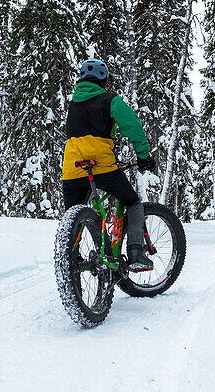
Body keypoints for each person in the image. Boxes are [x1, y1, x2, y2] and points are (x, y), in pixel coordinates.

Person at [62, 58, 157, 271]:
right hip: (102, 166)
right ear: (103, 79)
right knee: (132, 203)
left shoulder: (73, 103)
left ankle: (71, 263)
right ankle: (135, 253)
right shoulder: (110, 99)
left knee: (73, 221)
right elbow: (133, 126)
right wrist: (143, 156)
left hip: (72, 169)